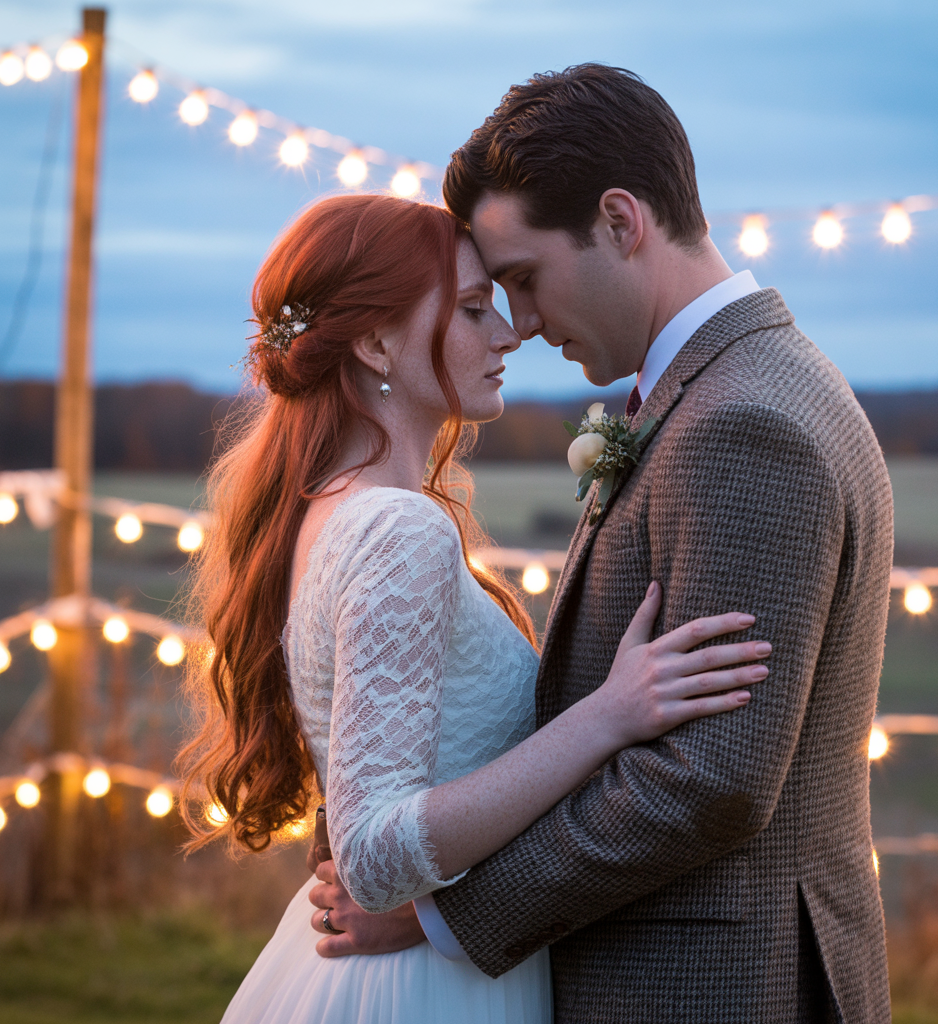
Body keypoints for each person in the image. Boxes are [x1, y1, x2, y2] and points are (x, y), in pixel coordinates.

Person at [309, 65, 895, 1023]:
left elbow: (707, 780)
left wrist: (443, 913)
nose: (524, 323)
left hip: (711, 989)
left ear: (621, 222)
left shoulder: (742, 426)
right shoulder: (726, 388)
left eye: (524, 279)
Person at [177, 193, 768, 1024]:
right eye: (470, 308)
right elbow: (374, 855)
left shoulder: (331, 508)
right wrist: (606, 716)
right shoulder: (397, 530)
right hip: (426, 991)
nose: (508, 333)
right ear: (376, 343)